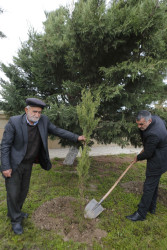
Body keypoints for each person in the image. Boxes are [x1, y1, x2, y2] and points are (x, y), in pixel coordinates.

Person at [0, 98, 86, 234]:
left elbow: (58, 131)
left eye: (39, 112)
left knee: (23, 191)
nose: (37, 115)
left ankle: (17, 212)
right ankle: (15, 220)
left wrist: (76, 137)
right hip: (14, 164)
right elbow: (5, 145)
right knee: (13, 193)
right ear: (26, 110)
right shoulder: (14, 122)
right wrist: (5, 166)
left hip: (28, 164)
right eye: (34, 111)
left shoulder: (43, 121)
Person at [126, 110, 167, 222]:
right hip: (162, 154)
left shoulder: (153, 134)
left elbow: (148, 153)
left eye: (141, 124)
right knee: (153, 185)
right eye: (137, 124)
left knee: (148, 186)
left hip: (158, 160)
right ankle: (151, 208)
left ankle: (141, 214)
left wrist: (138, 157)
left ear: (149, 121)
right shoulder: (156, 119)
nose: (139, 127)